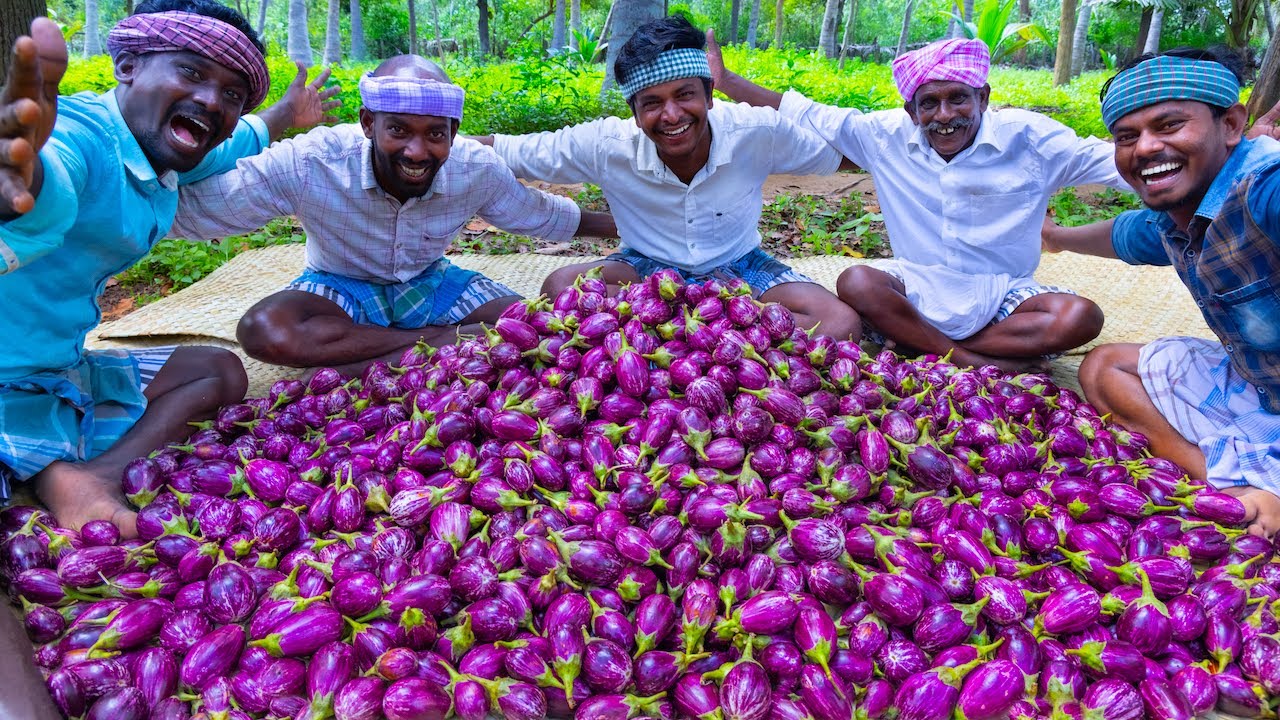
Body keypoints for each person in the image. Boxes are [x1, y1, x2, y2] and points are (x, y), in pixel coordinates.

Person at [0, 0, 338, 537]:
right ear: (128, 66)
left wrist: (286, 114)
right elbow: (51, 179)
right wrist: (23, 181)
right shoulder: (81, 135)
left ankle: (91, 477)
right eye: (190, 71)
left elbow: (243, 136)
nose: (210, 99)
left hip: (57, 369)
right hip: (7, 379)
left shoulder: (168, 146)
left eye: (230, 93)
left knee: (218, 369)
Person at [708, 36, 1134, 373]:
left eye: (958, 99)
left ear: (983, 98)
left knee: (1079, 317)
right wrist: (726, 82)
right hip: (915, 290)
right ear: (911, 110)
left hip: (1004, 293)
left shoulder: (1032, 139)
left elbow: (1120, 163)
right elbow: (803, 111)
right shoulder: (884, 135)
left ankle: (925, 348)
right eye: (929, 103)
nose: (945, 115)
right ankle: (974, 362)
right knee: (856, 281)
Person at [172, 55, 616, 376]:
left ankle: (364, 364)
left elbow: (538, 215)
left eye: (435, 135)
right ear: (369, 123)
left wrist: (629, 224)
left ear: (454, 133)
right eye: (398, 130)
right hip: (338, 285)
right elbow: (208, 209)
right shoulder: (313, 161)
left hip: (432, 283)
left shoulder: (474, 168)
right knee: (266, 331)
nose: (417, 151)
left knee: (535, 325)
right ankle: (438, 344)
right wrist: (123, 201)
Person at [475, 15, 862, 340]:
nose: (672, 115)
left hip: (741, 267)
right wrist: (427, 135)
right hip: (645, 268)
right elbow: (506, 149)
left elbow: (849, 153)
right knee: (561, 287)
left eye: (684, 95)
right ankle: (727, 339)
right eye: (653, 103)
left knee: (840, 323)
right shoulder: (606, 143)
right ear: (634, 110)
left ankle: (674, 339)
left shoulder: (757, 131)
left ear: (710, 95)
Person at [1042, 48, 1280, 538]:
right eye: (1127, 137)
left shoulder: (1265, 191)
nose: (1145, 148)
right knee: (1106, 367)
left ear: (1231, 124)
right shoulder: (1177, 218)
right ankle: (1224, 489)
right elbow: (1124, 234)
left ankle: (1268, 497)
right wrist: (1056, 239)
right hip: (1261, 385)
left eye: (1169, 125)